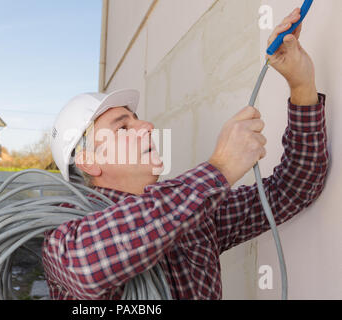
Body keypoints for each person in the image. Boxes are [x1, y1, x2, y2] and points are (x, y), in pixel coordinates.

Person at [42, 8, 329, 299]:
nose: (146, 125)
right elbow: (87, 267)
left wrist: (301, 84)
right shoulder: (63, 238)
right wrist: (220, 168)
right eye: (123, 128)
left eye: (137, 118)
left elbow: (294, 187)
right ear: (89, 162)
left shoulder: (196, 213)